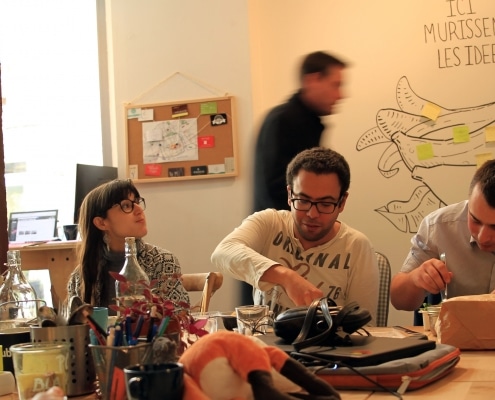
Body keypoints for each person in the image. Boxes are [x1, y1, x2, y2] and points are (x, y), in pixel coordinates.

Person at [212, 147, 379, 322]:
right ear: (290, 195)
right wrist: (286, 277)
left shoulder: (357, 246)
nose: (312, 214)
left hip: (328, 339)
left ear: (342, 202)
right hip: (266, 337)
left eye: (325, 204)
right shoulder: (270, 223)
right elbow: (223, 252)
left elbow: (364, 324)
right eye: (303, 201)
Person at [67, 179, 189, 313]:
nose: (139, 210)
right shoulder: (79, 278)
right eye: (126, 206)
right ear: (101, 223)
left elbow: (177, 319)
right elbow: (76, 325)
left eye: (137, 202)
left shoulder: (162, 261)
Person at [391, 160, 495, 312]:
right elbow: (399, 301)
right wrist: (415, 278)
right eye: (475, 220)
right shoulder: (439, 226)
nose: (483, 237)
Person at [253, 51, 347, 212]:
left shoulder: (308, 123)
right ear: (312, 80)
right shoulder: (283, 121)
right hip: (281, 227)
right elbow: (276, 192)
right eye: (335, 85)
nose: (340, 95)